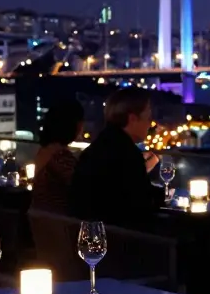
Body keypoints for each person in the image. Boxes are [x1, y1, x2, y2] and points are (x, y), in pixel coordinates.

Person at [68, 88, 163, 227]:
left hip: (89, 234)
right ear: (132, 118)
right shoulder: (128, 153)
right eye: (147, 117)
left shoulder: (98, 147)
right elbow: (142, 206)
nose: (150, 123)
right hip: (120, 240)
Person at [30, 99, 85, 214]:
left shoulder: (45, 151)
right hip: (62, 226)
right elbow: (83, 190)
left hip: (45, 224)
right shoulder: (61, 157)